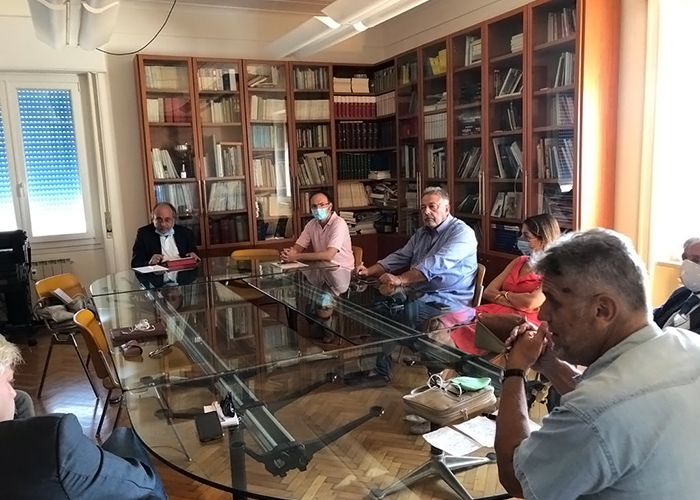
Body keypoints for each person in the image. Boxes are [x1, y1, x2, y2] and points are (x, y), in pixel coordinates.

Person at [495, 229, 700, 500]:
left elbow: (516, 477)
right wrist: (549, 364)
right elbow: (614, 399)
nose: (543, 314)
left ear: (602, 310)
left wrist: (515, 369)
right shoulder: (689, 345)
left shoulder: (593, 412)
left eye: (554, 302)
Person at [0, 335, 168, 500]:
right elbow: (143, 482)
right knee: (125, 439)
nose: (14, 393)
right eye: (8, 381)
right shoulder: (53, 441)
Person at [449, 214, 560, 353]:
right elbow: (489, 292)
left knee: (475, 331)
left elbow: (531, 302)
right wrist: (517, 301)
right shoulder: (520, 261)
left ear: (542, 239)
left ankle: (466, 361)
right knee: (452, 319)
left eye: (526, 236)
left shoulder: (554, 269)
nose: (521, 239)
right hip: (496, 310)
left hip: (525, 320)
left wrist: (505, 294)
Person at [356, 187, 478, 302]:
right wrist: (368, 271)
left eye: (432, 207)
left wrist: (400, 279)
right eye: (423, 208)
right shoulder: (422, 232)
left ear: (447, 209)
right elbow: (401, 256)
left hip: (447, 299)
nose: (426, 212)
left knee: (395, 314)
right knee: (373, 305)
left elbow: (436, 264)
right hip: (418, 294)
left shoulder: (462, 233)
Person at [281, 191, 354, 268]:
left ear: (330, 206)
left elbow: (329, 255)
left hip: (342, 269)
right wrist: (288, 254)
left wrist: (296, 256)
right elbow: (297, 248)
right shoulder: (311, 224)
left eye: (322, 205)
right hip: (322, 268)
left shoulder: (339, 223)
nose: (318, 209)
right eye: (314, 206)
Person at [653, 236, 700, 334]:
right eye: (685, 258)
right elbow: (655, 315)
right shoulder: (682, 292)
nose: (687, 265)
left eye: (697, 261)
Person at [131, 202, 200, 268]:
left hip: (182, 273)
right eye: (159, 220)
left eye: (167, 220)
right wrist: (150, 263)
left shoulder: (186, 233)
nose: (163, 224)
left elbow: (197, 259)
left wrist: (194, 256)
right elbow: (135, 263)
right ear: (153, 219)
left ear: (174, 220)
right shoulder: (144, 234)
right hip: (157, 274)